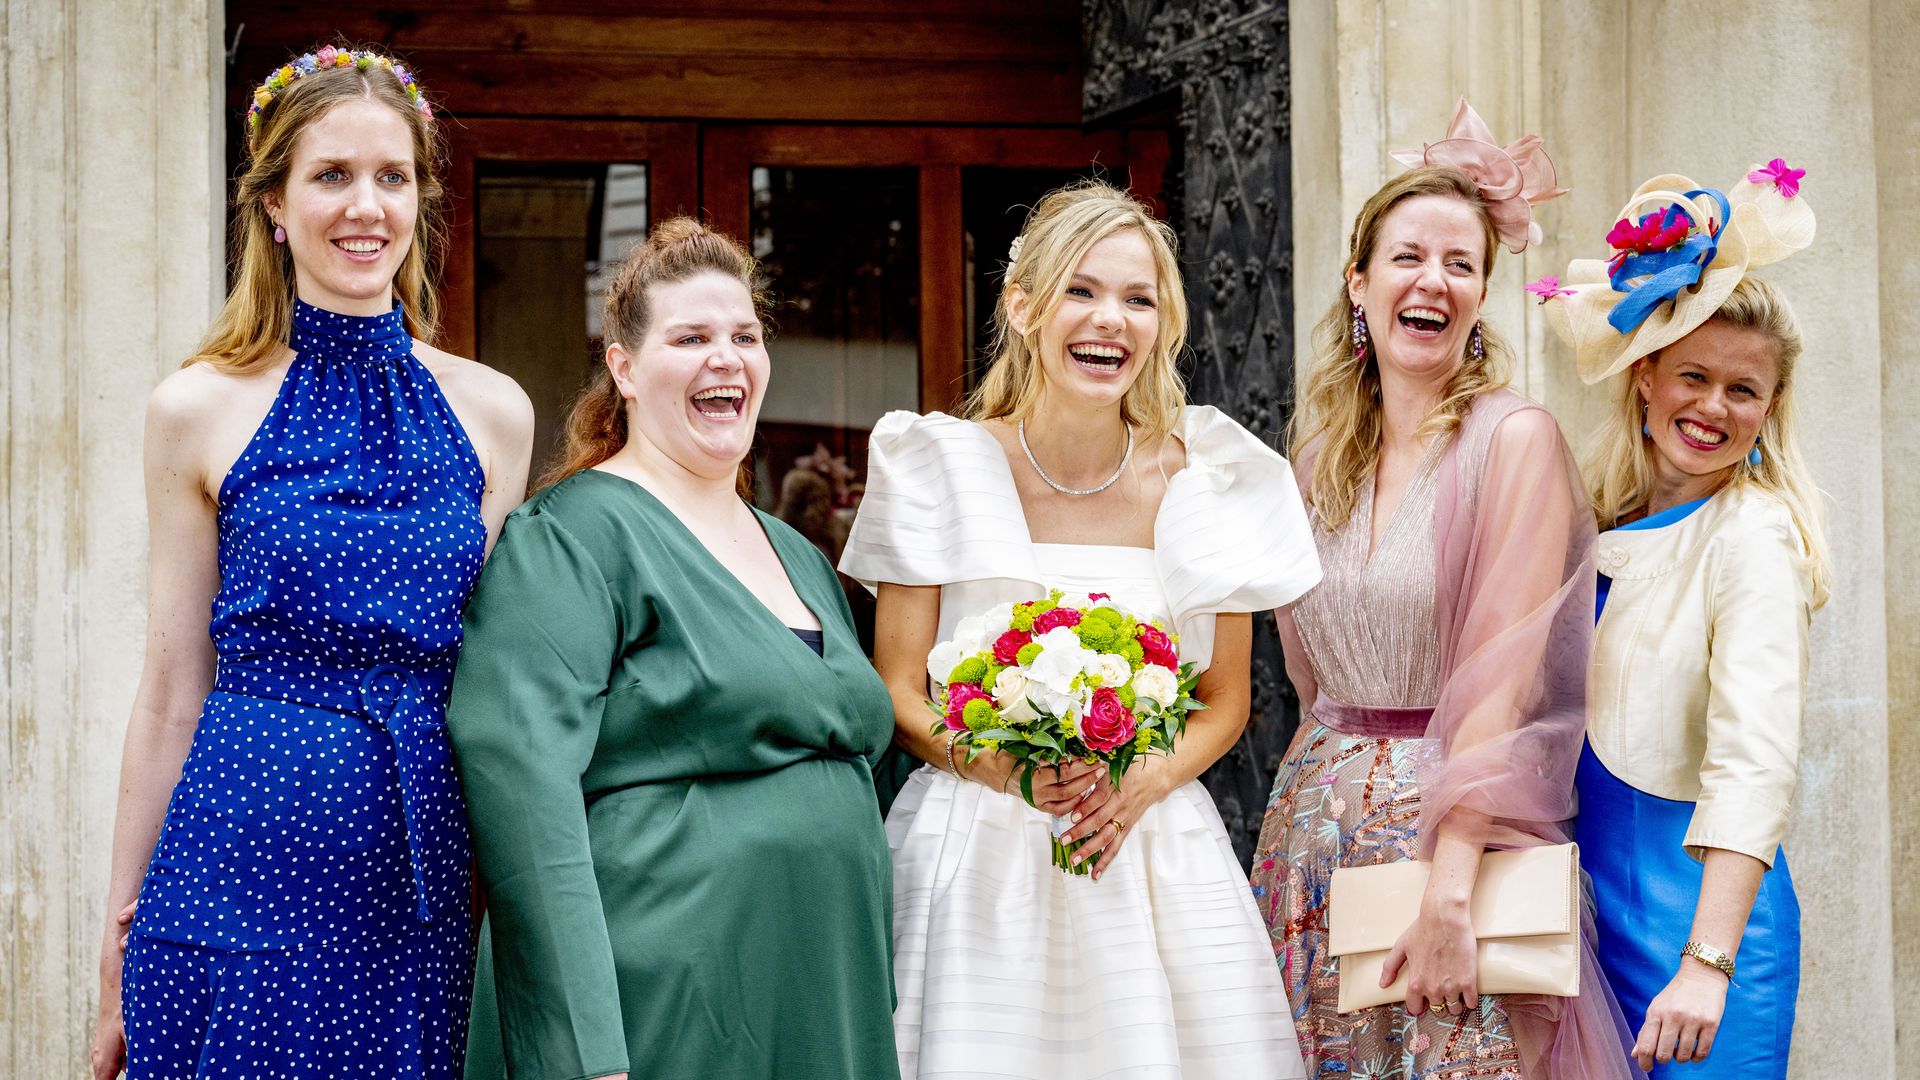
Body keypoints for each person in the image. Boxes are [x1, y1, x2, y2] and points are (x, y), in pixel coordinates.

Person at [90, 47, 533, 1080]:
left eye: (393, 176)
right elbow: (169, 687)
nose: (364, 206)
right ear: (276, 205)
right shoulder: (195, 408)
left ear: (421, 201)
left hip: (414, 873)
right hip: (233, 854)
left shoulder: (492, 414)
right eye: (331, 175)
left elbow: (499, 681)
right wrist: (113, 939)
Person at [839, 181, 1320, 1079]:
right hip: (972, 858)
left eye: (1140, 299)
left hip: (1148, 851)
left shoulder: (1211, 480)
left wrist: (1146, 778)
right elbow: (898, 691)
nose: (1112, 320)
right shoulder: (935, 465)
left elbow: (1224, 702)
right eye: (1082, 290)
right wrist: (999, 767)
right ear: (1023, 308)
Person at [448, 218, 900, 1080]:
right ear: (622, 366)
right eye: (690, 338)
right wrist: (583, 1049)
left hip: (821, 988)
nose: (724, 358)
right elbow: (523, 786)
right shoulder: (572, 535)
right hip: (663, 994)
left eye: (744, 336)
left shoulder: (797, 553)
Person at [1247, 100, 1634, 1078]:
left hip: (1444, 854)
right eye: (1410, 256)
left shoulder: (1516, 443)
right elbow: (1307, 675)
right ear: (1359, 284)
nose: (1434, 280)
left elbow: (1503, 687)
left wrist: (1452, 887)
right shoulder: (1314, 462)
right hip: (1311, 846)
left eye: (1461, 265)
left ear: (1478, 298)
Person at [1542, 161, 1823, 1076]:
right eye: (1693, 376)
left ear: (1768, 409)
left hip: (1699, 924)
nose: (1713, 407)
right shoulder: (1592, 524)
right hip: (1584, 921)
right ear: (1644, 380)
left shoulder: (1755, 534)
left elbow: (1755, 760)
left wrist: (1707, 967)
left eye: (1744, 390)